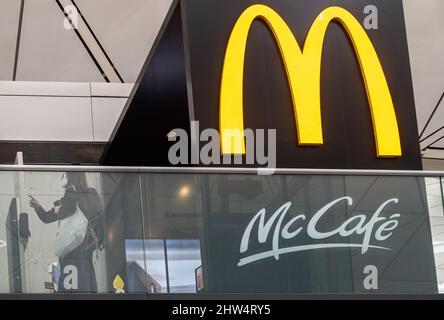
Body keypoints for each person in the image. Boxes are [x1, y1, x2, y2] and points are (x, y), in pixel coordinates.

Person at [29, 172, 104, 293]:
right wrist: (98, 241)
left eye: (65, 175)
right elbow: (100, 219)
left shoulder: (70, 194)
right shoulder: (92, 194)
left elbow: (47, 217)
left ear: (70, 178)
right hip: (86, 250)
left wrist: (41, 207)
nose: (63, 178)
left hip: (71, 249)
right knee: (86, 280)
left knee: (70, 285)